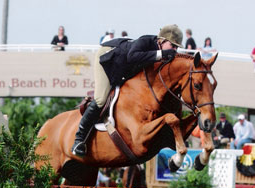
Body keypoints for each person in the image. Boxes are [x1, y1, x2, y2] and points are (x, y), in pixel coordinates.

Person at [71, 24, 183, 156]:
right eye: (173, 46)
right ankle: (79, 139)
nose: (174, 50)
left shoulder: (163, 54)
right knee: (101, 99)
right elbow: (132, 57)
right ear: (162, 41)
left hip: (123, 69)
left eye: (176, 47)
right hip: (107, 59)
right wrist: (161, 54)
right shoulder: (146, 41)